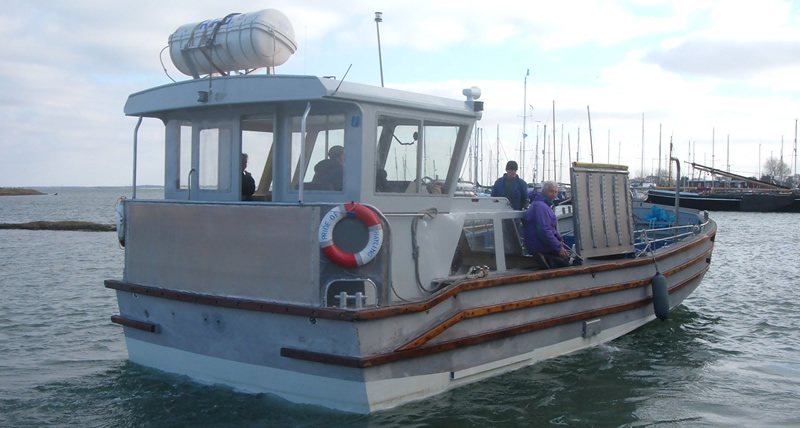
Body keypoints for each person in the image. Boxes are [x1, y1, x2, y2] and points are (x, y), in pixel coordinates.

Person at [523, 180, 569, 269]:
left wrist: (559, 238)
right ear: (544, 191)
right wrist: (558, 247)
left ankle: (546, 259)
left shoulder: (542, 205)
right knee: (566, 261)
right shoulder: (541, 206)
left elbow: (550, 228)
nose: (554, 195)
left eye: (556, 192)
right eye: (551, 191)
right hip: (539, 245)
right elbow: (544, 231)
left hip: (536, 243)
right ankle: (546, 258)